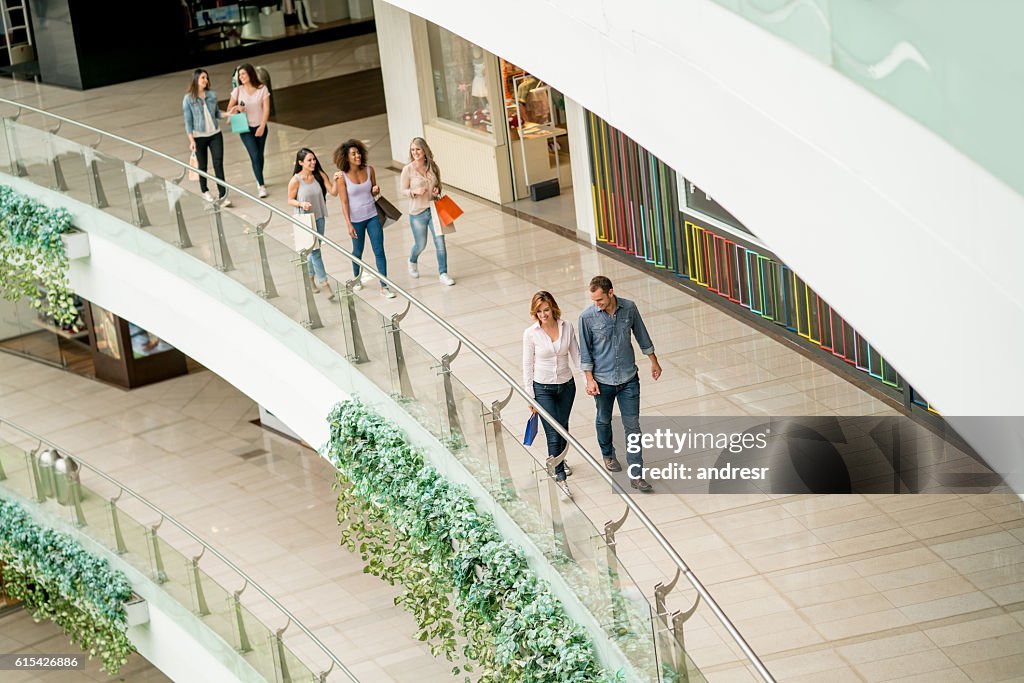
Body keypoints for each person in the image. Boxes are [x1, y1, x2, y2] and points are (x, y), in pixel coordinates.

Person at [578, 276, 662, 492]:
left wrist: (654, 362)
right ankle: (608, 454)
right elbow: (585, 353)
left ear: (611, 292)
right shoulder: (587, 317)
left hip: (628, 379)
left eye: (600, 300)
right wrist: (589, 379)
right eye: (594, 300)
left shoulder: (629, 308)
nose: (597, 304)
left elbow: (642, 336)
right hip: (602, 381)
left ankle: (636, 474)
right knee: (604, 419)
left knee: (632, 427)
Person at [522, 291, 579, 499]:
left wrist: (588, 379)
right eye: (539, 311)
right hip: (542, 388)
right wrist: (530, 396)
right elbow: (527, 365)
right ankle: (561, 478)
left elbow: (576, 355)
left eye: (546, 310)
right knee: (553, 432)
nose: (543, 315)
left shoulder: (567, 326)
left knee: (563, 428)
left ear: (553, 308)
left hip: (566, 386)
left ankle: (560, 459)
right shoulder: (531, 333)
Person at [333, 139, 393, 299]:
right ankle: (357, 278)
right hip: (356, 220)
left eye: (358, 152)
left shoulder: (369, 170)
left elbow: (374, 191)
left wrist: (376, 189)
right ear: (346, 157)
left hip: (372, 216)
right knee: (357, 251)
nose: (357, 155)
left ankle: (384, 285)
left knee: (379, 250)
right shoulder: (341, 178)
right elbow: (344, 202)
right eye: (353, 154)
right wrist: (348, 224)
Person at [399, 137, 454, 286]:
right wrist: (414, 191)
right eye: (412, 150)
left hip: (434, 210)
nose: (415, 152)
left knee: (440, 243)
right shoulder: (408, 169)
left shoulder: (433, 166)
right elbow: (403, 190)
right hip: (417, 213)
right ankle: (412, 260)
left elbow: (438, 185)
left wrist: (437, 189)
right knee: (421, 244)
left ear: (424, 150)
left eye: (418, 149)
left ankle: (443, 273)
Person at [287, 148, 337, 300]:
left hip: (319, 216)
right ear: (300, 162)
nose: (313, 162)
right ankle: (324, 283)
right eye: (309, 160)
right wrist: (301, 204)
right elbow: (289, 200)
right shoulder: (296, 180)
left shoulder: (319, 175)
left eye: (314, 159)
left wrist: (336, 179)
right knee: (315, 252)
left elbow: (333, 192)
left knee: (313, 249)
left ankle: (309, 278)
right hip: (305, 219)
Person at [182, 68, 230, 206]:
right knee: (202, 166)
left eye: (207, 78)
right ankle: (205, 191)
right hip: (199, 137)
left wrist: (227, 114)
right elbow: (188, 122)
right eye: (203, 77)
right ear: (196, 80)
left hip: (215, 134)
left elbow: (216, 114)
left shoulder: (212, 95)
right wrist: (191, 140)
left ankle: (223, 194)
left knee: (218, 164)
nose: (206, 80)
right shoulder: (188, 99)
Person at [226, 63, 270, 198]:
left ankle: (259, 177)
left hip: (261, 126)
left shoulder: (262, 88)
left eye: (243, 74)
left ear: (251, 74)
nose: (241, 77)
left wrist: (262, 126)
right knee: (255, 155)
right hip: (245, 129)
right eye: (239, 75)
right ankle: (261, 185)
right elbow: (229, 110)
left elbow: (266, 109)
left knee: (260, 156)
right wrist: (237, 108)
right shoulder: (238, 91)